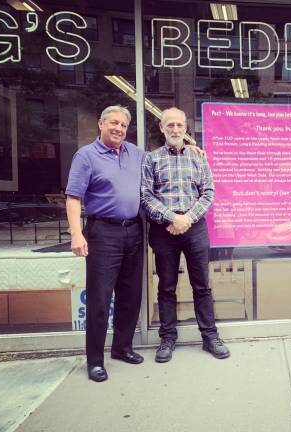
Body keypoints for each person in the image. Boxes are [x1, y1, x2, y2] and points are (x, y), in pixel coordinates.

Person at [141, 107, 230, 363]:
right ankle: (167, 338)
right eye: (170, 125)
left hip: (194, 228)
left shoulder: (198, 158)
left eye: (180, 125)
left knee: (201, 286)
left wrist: (187, 219)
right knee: (166, 287)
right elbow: (145, 195)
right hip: (164, 230)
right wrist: (172, 218)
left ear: (186, 128)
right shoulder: (151, 159)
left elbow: (209, 192)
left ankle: (210, 337)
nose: (175, 130)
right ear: (162, 128)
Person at [65, 105, 144, 383]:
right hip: (103, 232)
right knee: (100, 300)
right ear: (100, 123)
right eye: (113, 123)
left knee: (130, 295)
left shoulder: (135, 153)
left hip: (134, 231)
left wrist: (191, 149)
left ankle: (122, 348)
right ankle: (95, 361)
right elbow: (73, 198)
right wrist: (77, 234)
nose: (118, 129)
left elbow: (163, 161)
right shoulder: (86, 156)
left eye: (123, 125)